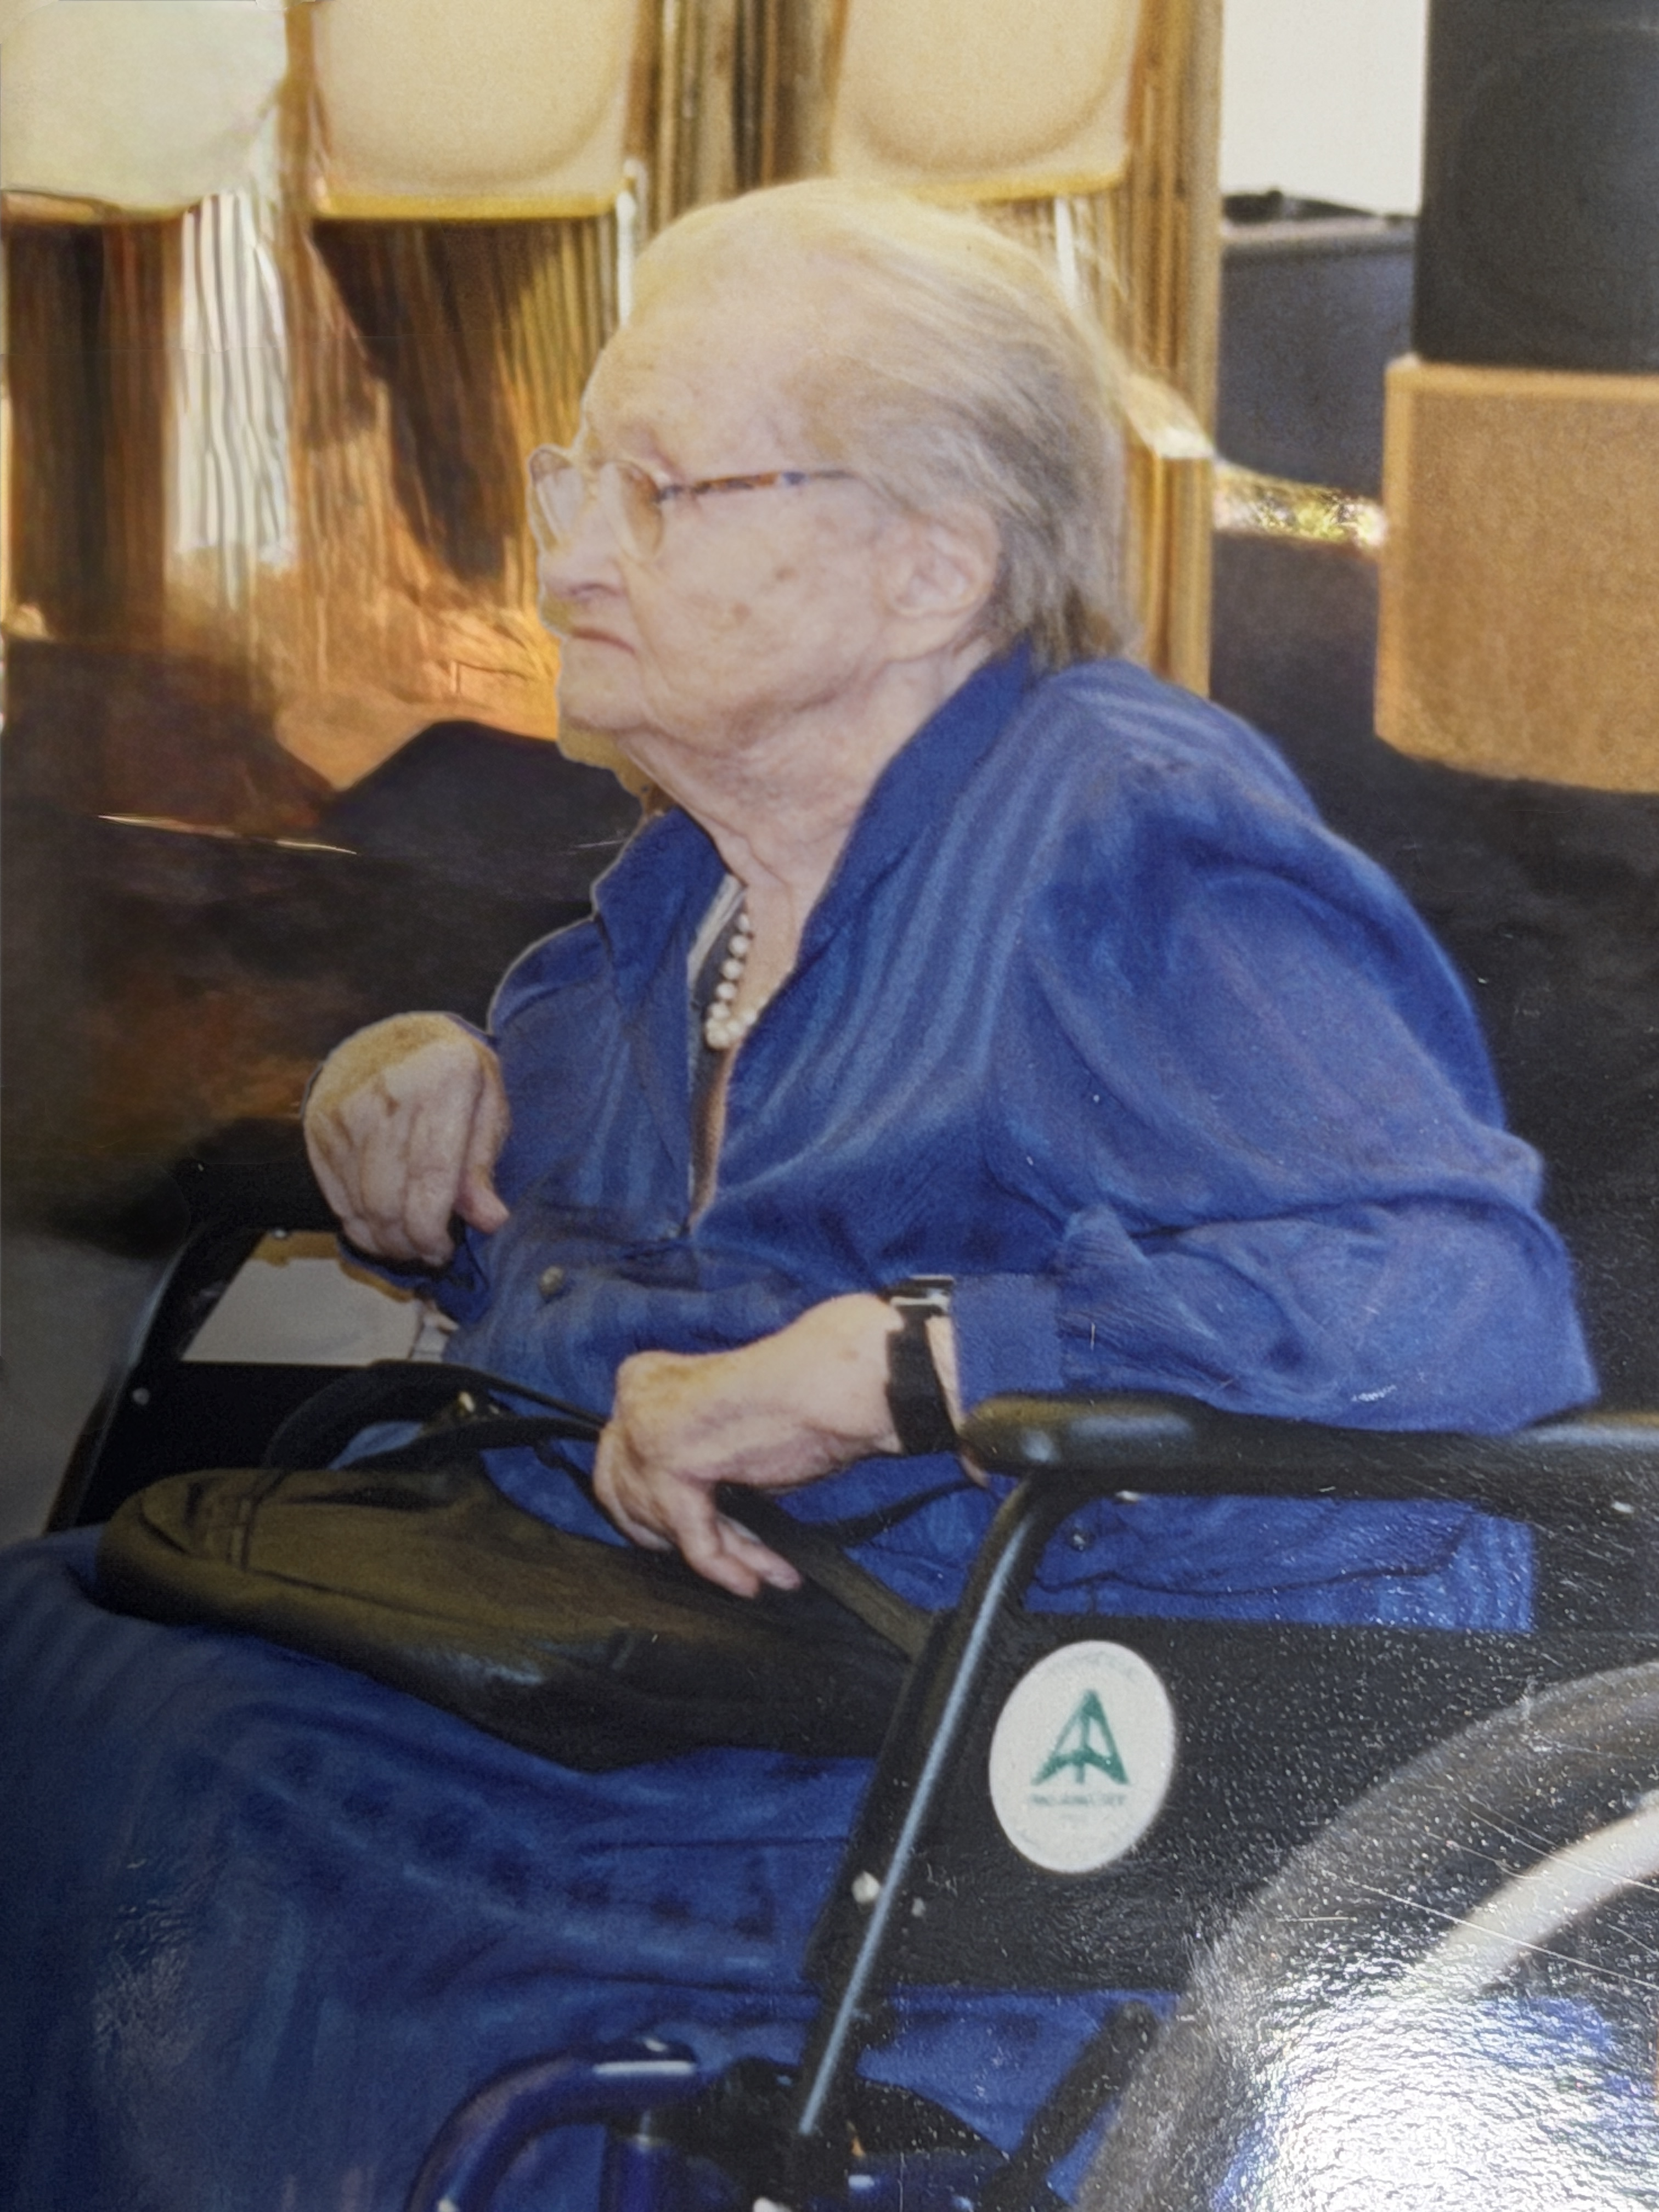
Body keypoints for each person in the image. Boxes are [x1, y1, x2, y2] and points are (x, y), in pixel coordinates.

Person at [0, 182, 1595, 2211]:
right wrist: (403, 1085)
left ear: (932, 566)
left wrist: (891, 1367)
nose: (569, 552)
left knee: (182, 1785)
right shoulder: (680, 899)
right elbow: (591, 1265)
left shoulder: (1120, 838)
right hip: (667, 1683)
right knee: (58, 1655)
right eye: (577, 479)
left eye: (661, 491)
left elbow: (1454, 1299)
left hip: (984, 1799)